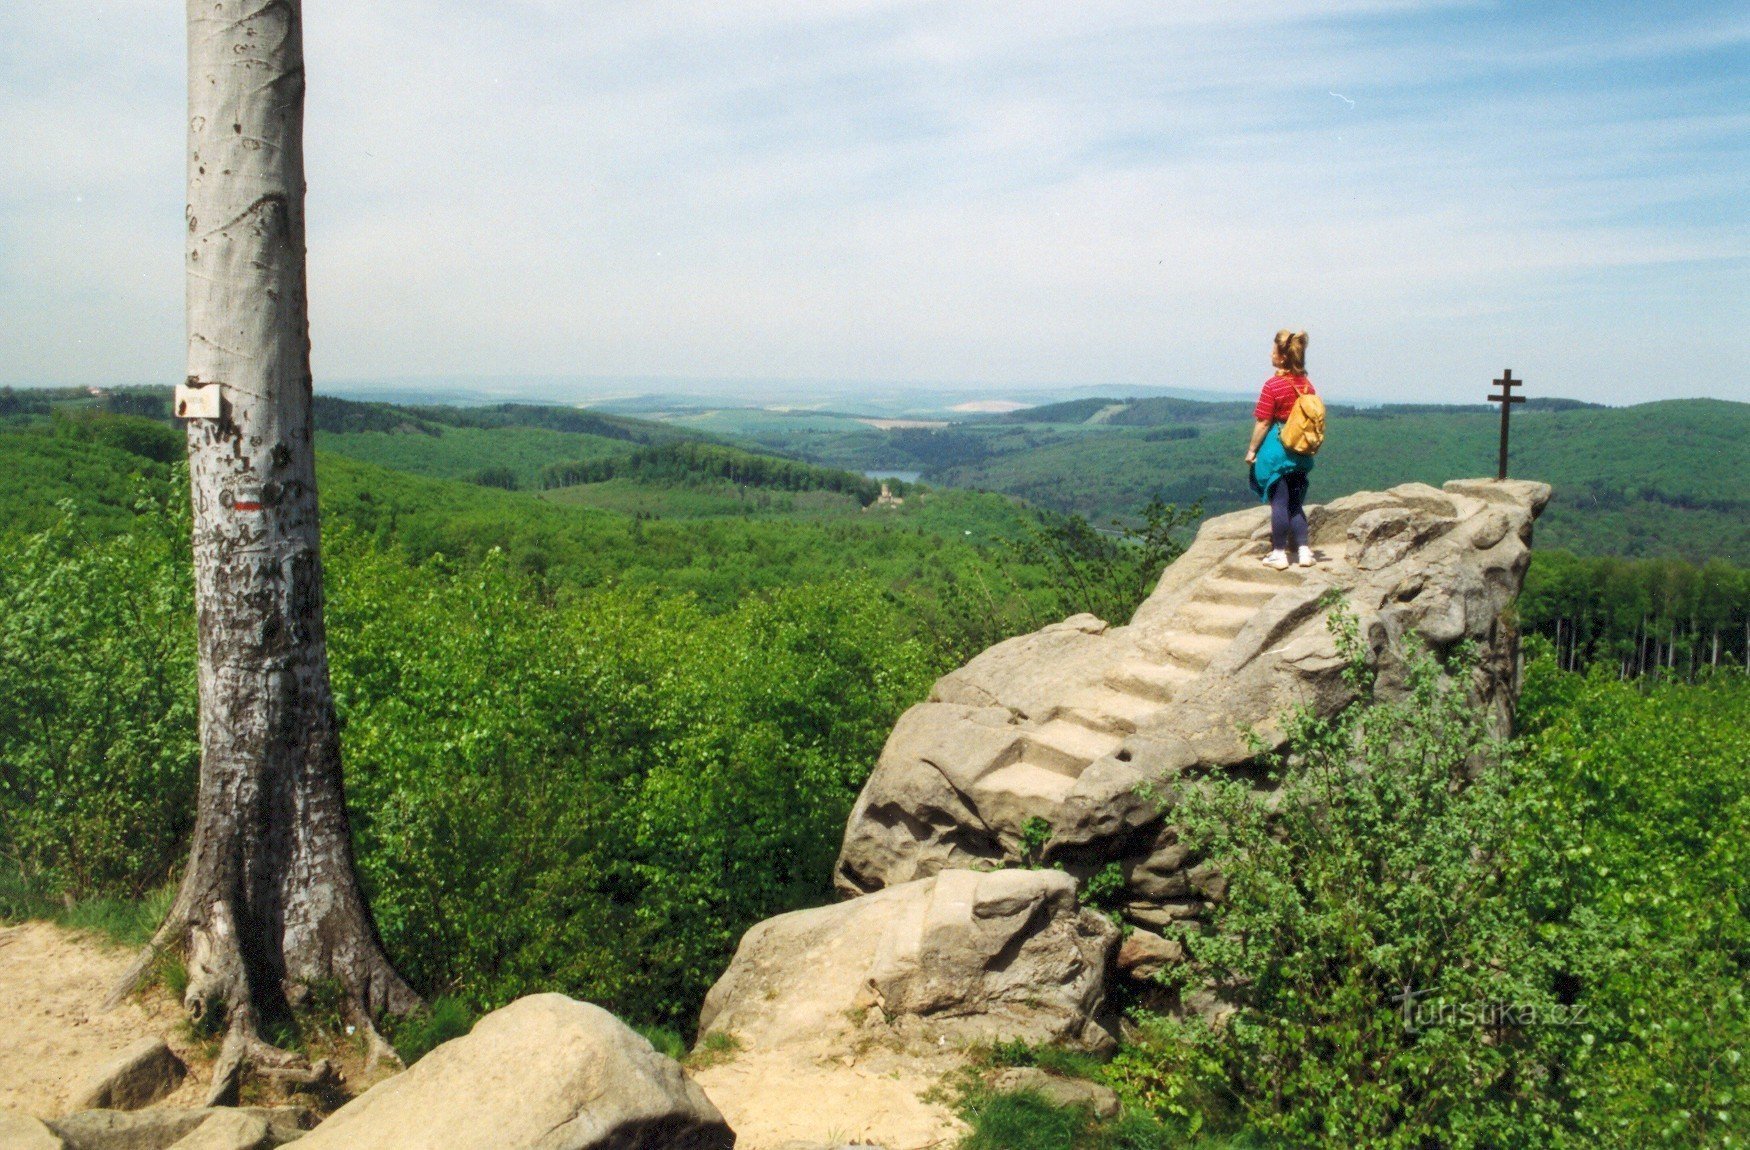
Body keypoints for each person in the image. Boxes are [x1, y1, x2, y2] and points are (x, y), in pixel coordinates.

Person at [1244, 329, 1317, 570]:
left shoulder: (1273, 385)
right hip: (1301, 451)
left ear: (1283, 357)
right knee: (1295, 503)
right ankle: (1304, 551)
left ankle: (1278, 553)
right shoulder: (1306, 386)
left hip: (1278, 452)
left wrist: (1252, 450)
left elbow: (1264, 421)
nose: (1270, 354)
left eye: (1273, 350)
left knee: (1279, 503)